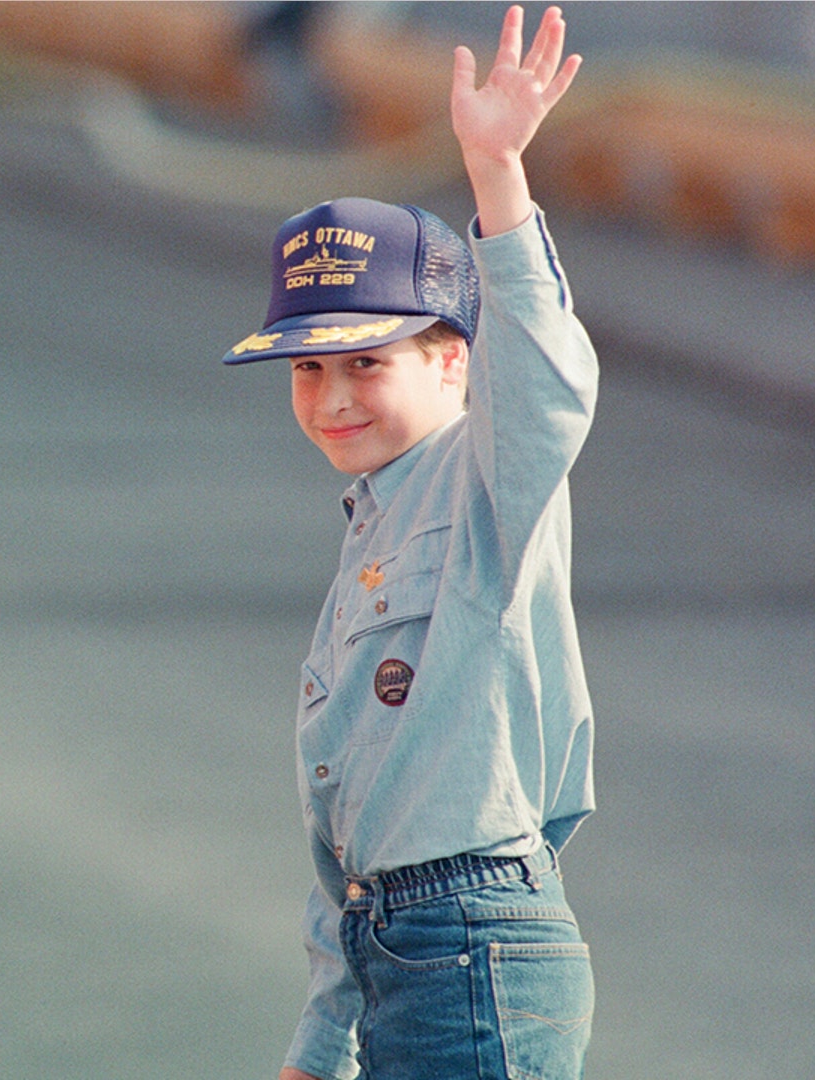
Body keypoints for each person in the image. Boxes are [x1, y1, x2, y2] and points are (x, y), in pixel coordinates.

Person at [220, 7, 595, 1079]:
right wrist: (321, 1040)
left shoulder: (490, 482)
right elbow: (358, 827)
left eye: (368, 362)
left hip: (474, 943)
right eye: (307, 369)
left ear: (453, 361)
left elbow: (551, 382)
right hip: (398, 943)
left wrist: (497, 171)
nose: (333, 397)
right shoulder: (375, 524)